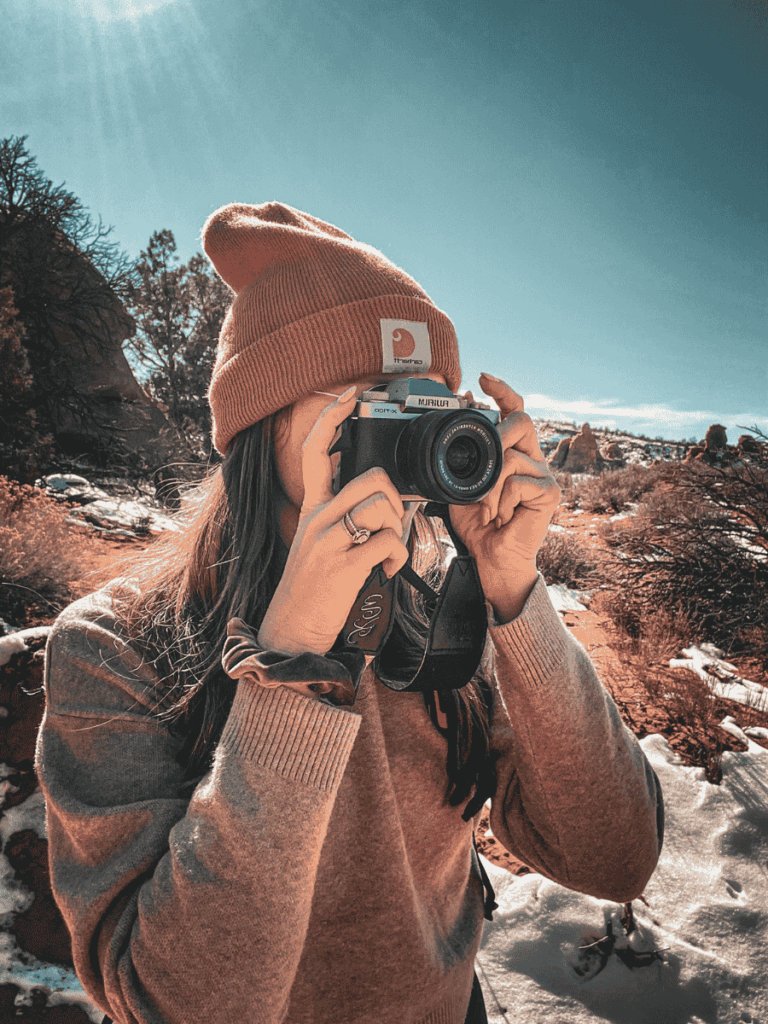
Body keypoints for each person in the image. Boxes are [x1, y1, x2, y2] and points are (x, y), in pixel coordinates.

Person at [36, 202, 664, 1024]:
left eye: (431, 405)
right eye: (376, 402)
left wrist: (514, 593)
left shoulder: (448, 619)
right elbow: (171, 1004)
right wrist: (291, 666)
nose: (416, 438)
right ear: (265, 422)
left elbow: (617, 858)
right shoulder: (113, 646)